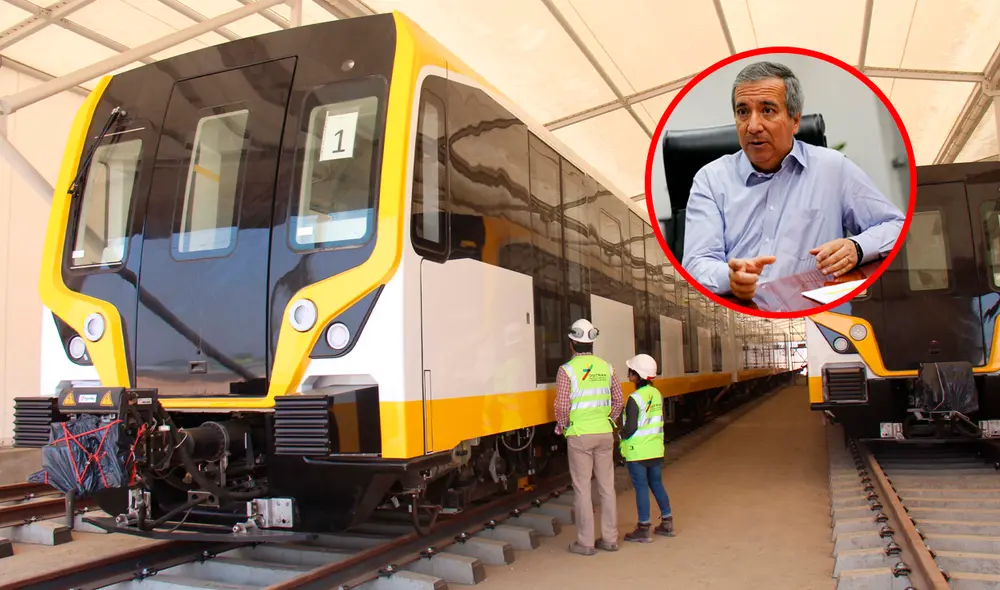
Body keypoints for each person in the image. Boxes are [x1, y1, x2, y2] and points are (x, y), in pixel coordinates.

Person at [681, 60, 906, 301]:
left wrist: (858, 248)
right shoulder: (711, 179)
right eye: (743, 112)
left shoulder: (832, 168)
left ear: (795, 121)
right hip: (742, 309)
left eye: (767, 110)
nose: (753, 126)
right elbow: (696, 263)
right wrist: (731, 277)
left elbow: (895, 226)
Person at [554, 318, 624, 556]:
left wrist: (563, 426)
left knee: (583, 489)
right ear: (592, 343)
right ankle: (610, 539)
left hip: (580, 435)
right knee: (606, 487)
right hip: (605, 434)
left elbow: (562, 406)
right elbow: (618, 400)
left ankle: (586, 543)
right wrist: (610, 420)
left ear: (572, 343)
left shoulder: (566, 371)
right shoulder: (607, 367)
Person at [619, 354, 674, 542]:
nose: (628, 376)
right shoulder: (657, 394)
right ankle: (667, 522)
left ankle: (643, 529)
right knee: (657, 484)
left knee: (641, 487)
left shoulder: (635, 398)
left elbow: (631, 427)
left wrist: (620, 435)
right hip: (655, 449)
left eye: (630, 372)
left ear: (636, 375)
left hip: (638, 451)